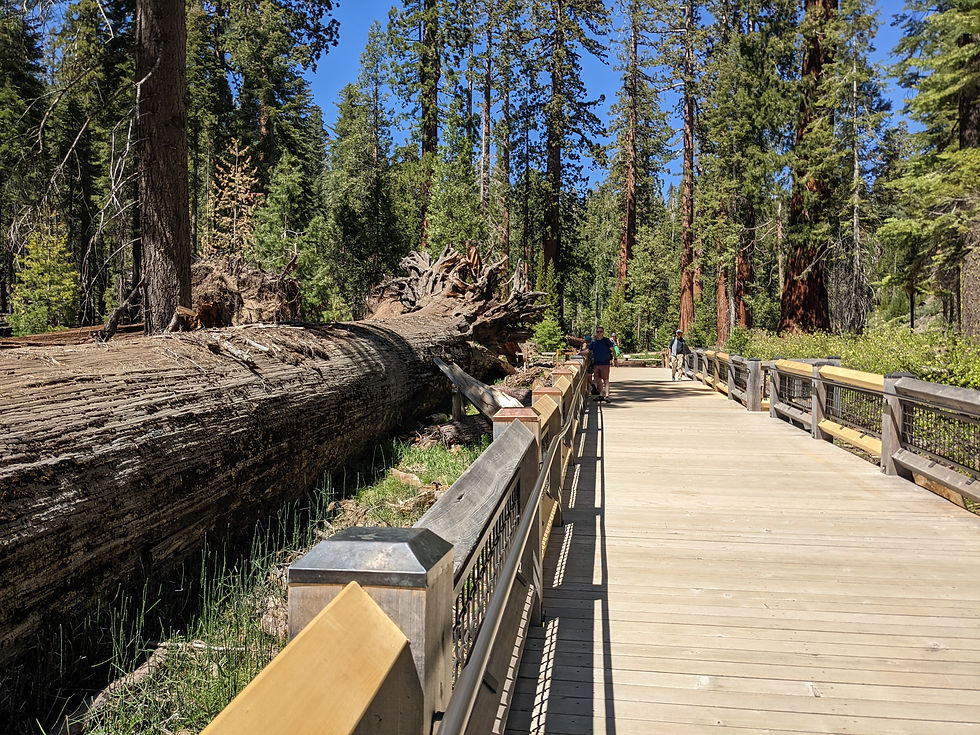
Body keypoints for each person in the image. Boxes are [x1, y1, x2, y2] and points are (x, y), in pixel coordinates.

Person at [581, 326, 615, 401]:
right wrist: (580, 353)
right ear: (596, 333)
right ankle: (601, 394)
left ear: (603, 333)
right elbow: (588, 351)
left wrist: (615, 359)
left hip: (605, 363)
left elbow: (613, 350)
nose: (599, 333)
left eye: (601, 331)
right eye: (598, 332)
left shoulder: (606, 341)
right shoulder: (594, 342)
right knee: (598, 379)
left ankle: (607, 396)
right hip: (597, 364)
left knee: (606, 379)